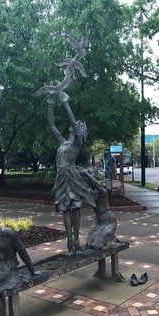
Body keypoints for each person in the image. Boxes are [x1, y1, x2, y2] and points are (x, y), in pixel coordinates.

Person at [47, 96, 96, 255]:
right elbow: (52, 126)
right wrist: (50, 106)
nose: (76, 126)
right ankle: (70, 240)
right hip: (61, 176)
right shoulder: (63, 142)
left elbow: (74, 123)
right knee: (64, 208)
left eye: (79, 126)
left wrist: (66, 102)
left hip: (72, 175)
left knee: (75, 207)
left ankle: (76, 240)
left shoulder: (77, 143)